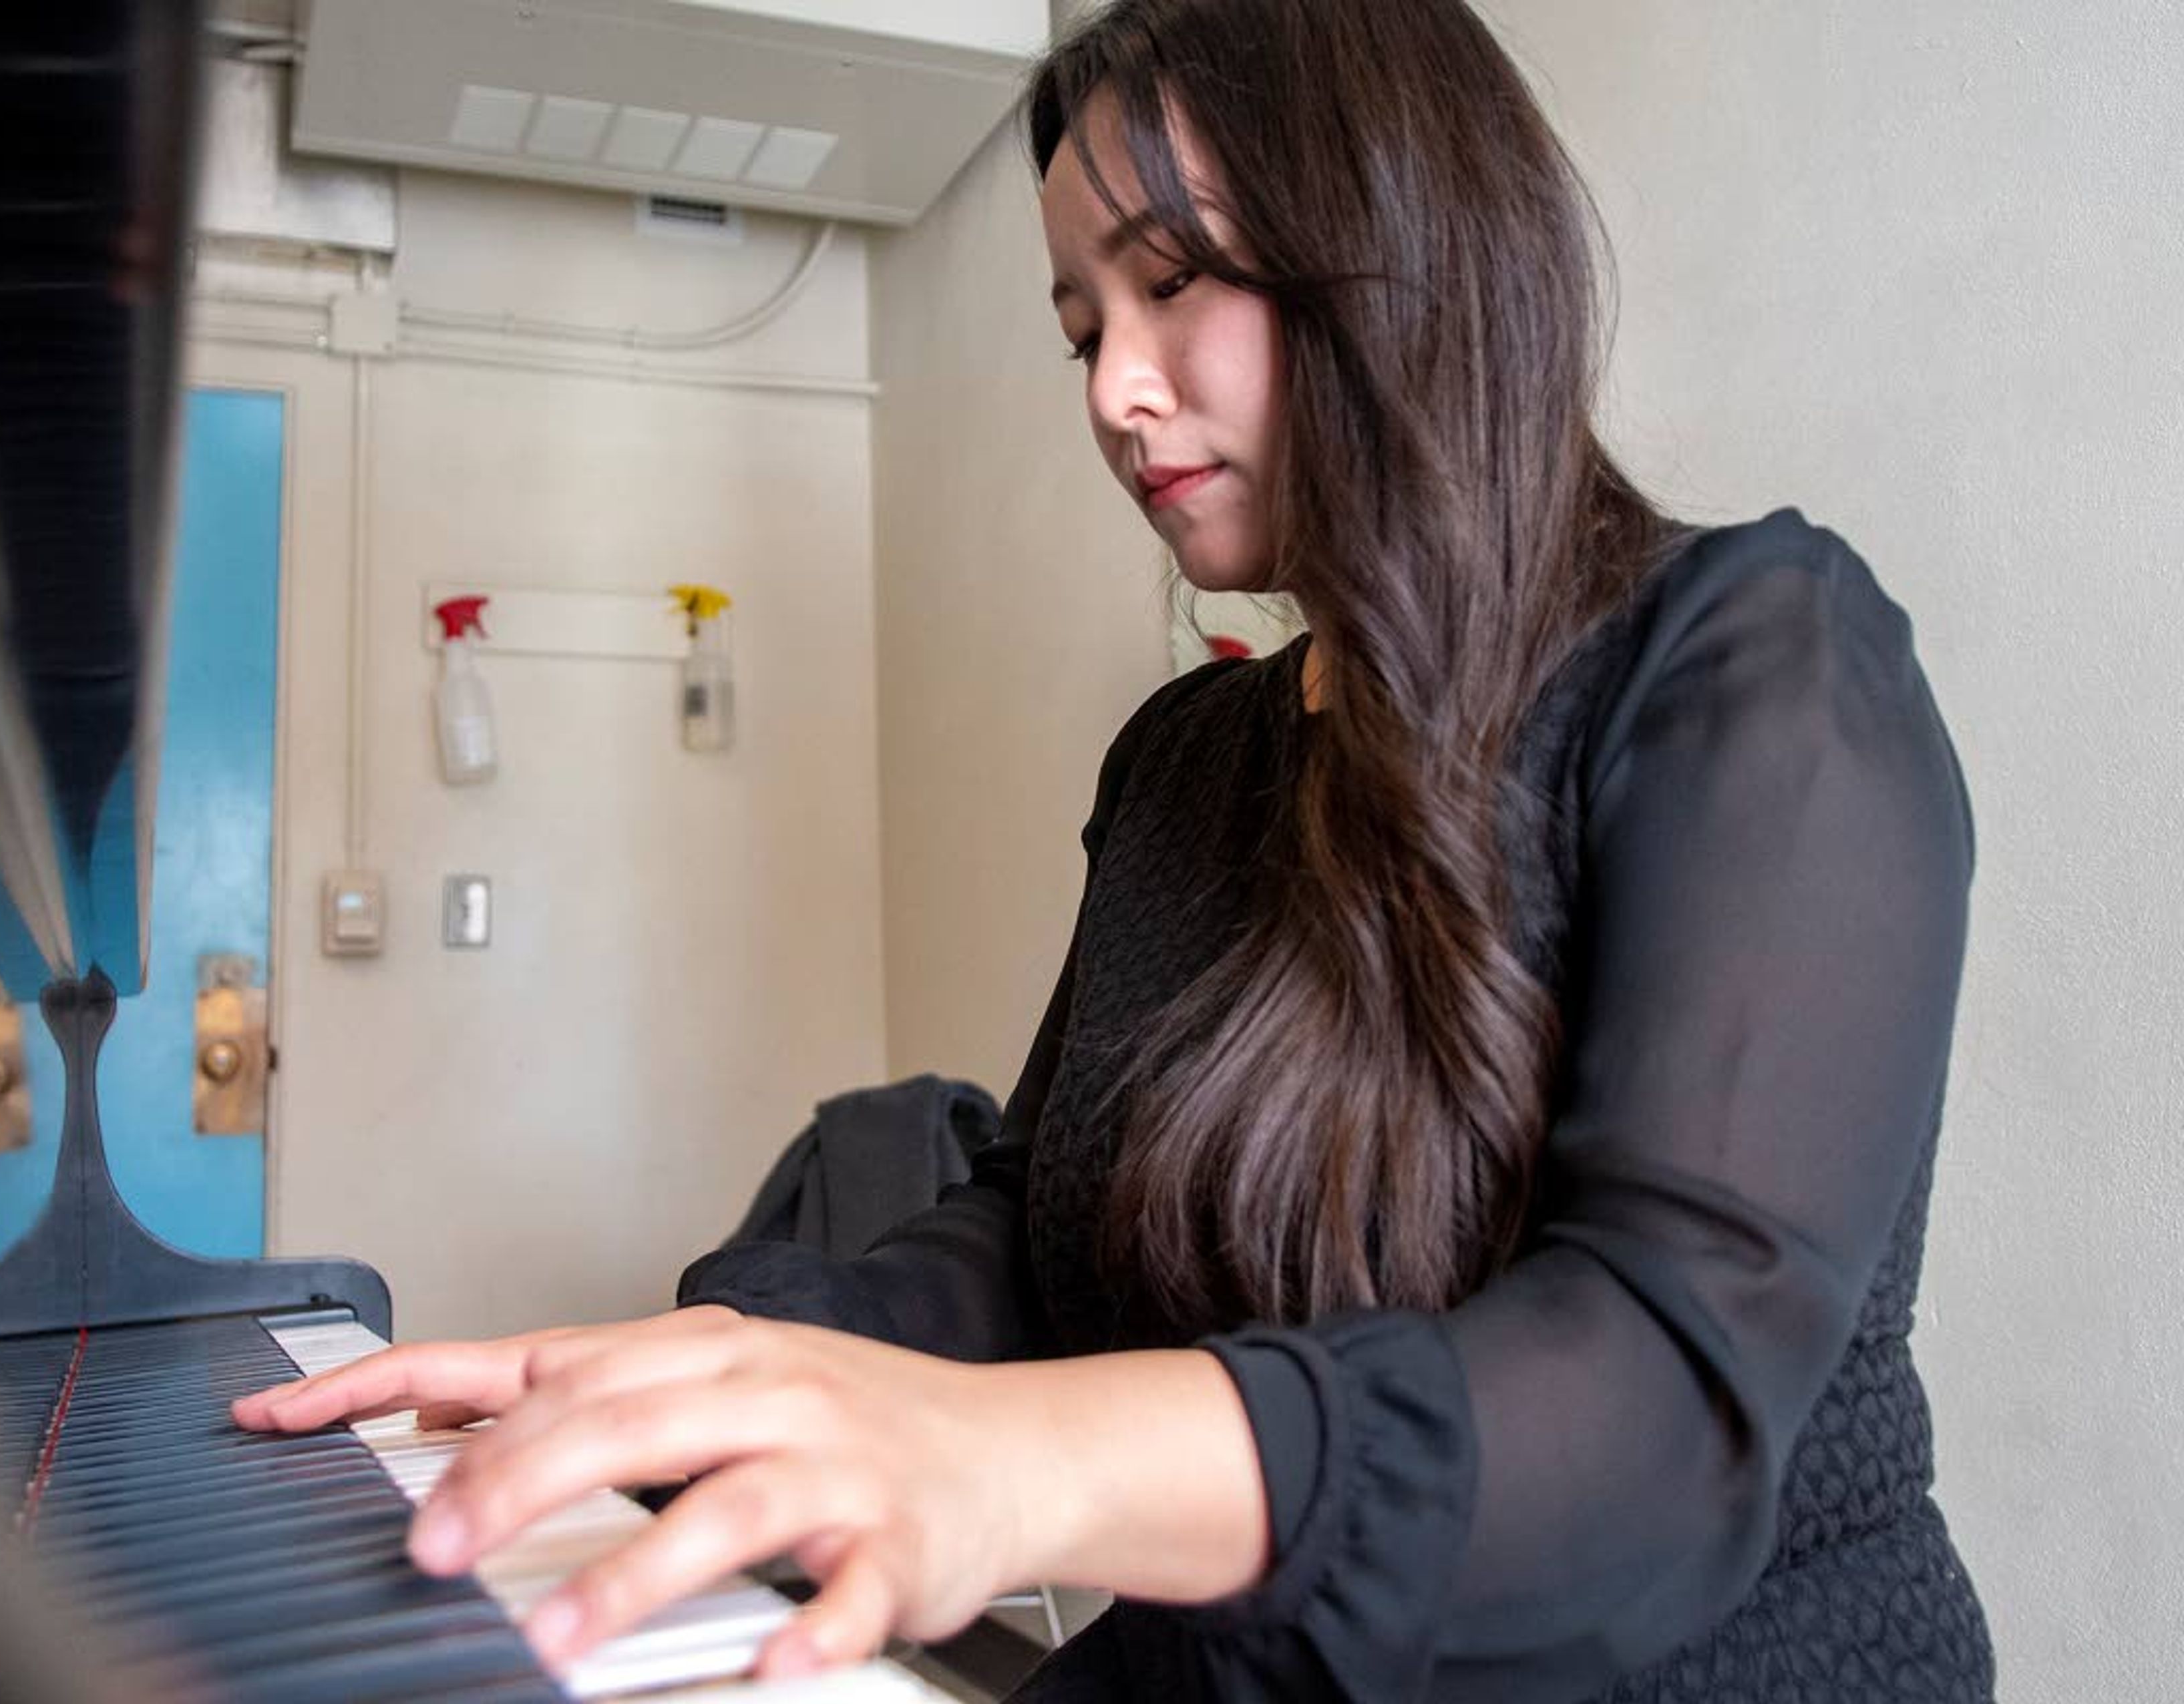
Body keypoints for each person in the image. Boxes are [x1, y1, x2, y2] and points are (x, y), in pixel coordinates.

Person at [233, 1, 1997, 1697]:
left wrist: (1014, 1461)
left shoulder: (1759, 667)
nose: (1116, 391)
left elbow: (1658, 1396)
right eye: (1085, 328)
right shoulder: (1183, 760)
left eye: (1176, 283)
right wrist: (743, 1364)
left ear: (1408, 236)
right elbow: (1043, 1223)